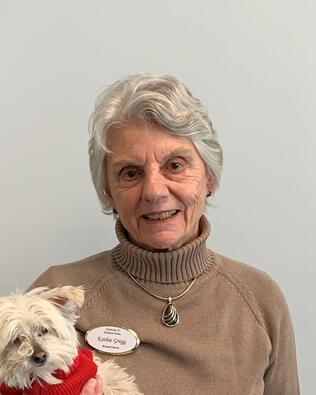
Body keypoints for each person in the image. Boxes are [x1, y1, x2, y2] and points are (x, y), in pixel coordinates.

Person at [31, 74, 300, 394]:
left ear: (209, 178)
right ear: (107, 193)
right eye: (131, 173)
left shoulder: (260, 299)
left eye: (175, 165)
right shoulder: (56, 297)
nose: (155, 192)